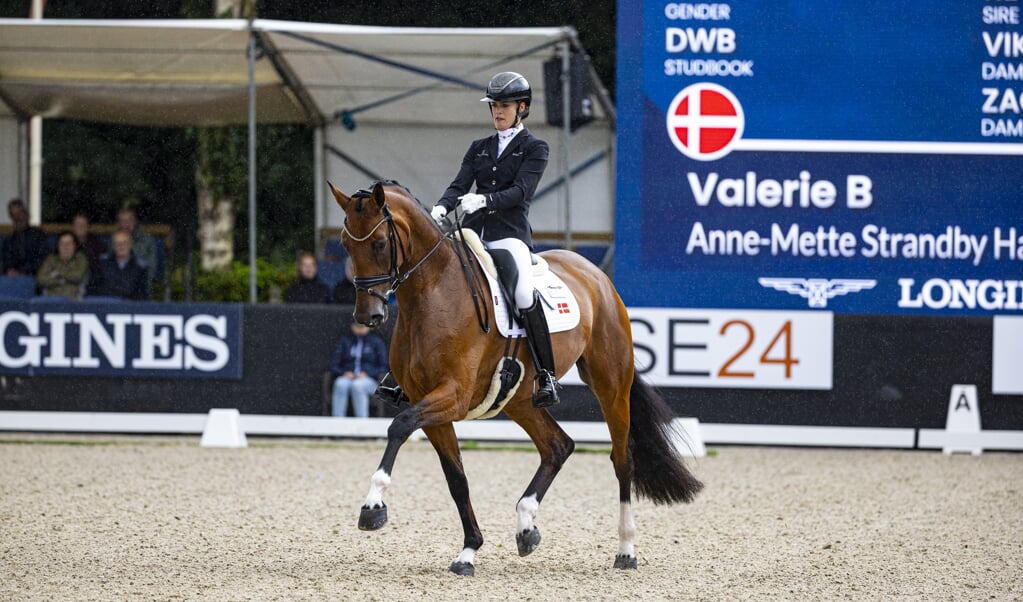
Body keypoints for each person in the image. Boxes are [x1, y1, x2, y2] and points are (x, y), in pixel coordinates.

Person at [430, 71, 559, 408]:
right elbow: (460, 184)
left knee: (521, 291)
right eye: (494, 106)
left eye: (504, 106)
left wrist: (485, 200)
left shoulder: (535, 148)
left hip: (508, 235)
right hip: (471, 232)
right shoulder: (479, 148)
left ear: (522, 108)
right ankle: (403, 373)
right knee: (433, 282)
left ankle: (546, 374)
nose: (498, 112)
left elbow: (521, 192)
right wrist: (441, 207)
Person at [328, 320, 389, 418]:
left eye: (363, 326)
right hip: (348, 378)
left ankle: (361, 424)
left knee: (358, 386)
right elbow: (333, 365)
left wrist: (368, 373)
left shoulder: (376, 342)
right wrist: (343, 372)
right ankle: (337, 425)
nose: (360, 328)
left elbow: (384, 367)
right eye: (357, 325)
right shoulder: (345, 341)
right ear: (352, 326)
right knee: (340, 384)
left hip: (370, 381)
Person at [87, 230, 148, 300]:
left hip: (129, 308)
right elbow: (91, 289)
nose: (121, 246)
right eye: (117, 243)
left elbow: (143, 295)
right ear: (113, 246)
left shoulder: (140, 267)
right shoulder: (102, 263)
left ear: (131, 244)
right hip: (106, 305)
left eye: (124, 243)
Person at [36, 231, 90, 299]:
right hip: (51, 300)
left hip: (73, 300)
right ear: (58, 246)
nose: (65, 247)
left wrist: (58, 273)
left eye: (68, 243)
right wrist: (61, 281)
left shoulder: (81, 259)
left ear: (75, 245)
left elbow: (77, 276)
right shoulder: (51, 259)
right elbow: (41, 279)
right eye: (62, 243)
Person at [2, 198, 49, 276]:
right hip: (14, 278)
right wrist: (9, 270)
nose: (17, 218)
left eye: (19, 214)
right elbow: (6, 262)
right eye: (14, 215)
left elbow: (43, 259)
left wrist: (23, 272)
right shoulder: (9, 240)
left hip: (34, 276)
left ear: (26, 214)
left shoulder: (38, 235)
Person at [117, 207, 157, 287]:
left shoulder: (147, 240)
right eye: (122, 221)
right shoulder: (114, 240)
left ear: (135, 221)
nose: (126, 224)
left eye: (129, 220)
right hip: (117, 285)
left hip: (139, 285)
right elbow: (109, 266)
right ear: (119, 224)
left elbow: (151, 268)